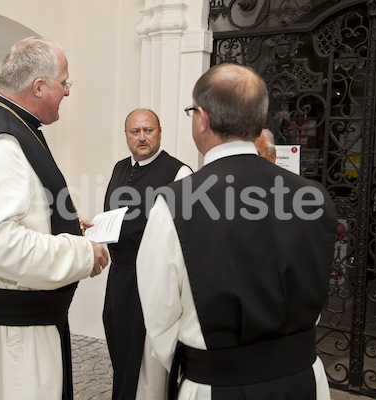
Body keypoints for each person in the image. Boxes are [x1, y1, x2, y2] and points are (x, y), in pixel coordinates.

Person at [136, 63, 337, 400]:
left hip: (218, 383)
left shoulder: (176, 203)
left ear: (202, 118)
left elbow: (160, 316)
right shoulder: (314, 198)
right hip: (305, 379)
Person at [0, 37, 109, 400]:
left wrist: (67, 226)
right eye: (65, 82)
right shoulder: (3, 144)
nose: (67, 92)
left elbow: (21, 212)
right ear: (39, 86)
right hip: (9, 344)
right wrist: (81, 254)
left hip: (15, 329)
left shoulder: (4, 123)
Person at [103, 108, 192, 400]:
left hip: (153, 280)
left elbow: (183, 235)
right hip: (119, 277)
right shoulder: (119, 168)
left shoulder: (179, 172)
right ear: (126, 135)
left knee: (149, 363)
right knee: (121, 349)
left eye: (148, 130)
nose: (142, 137)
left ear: (160, 132)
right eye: (135, 131)